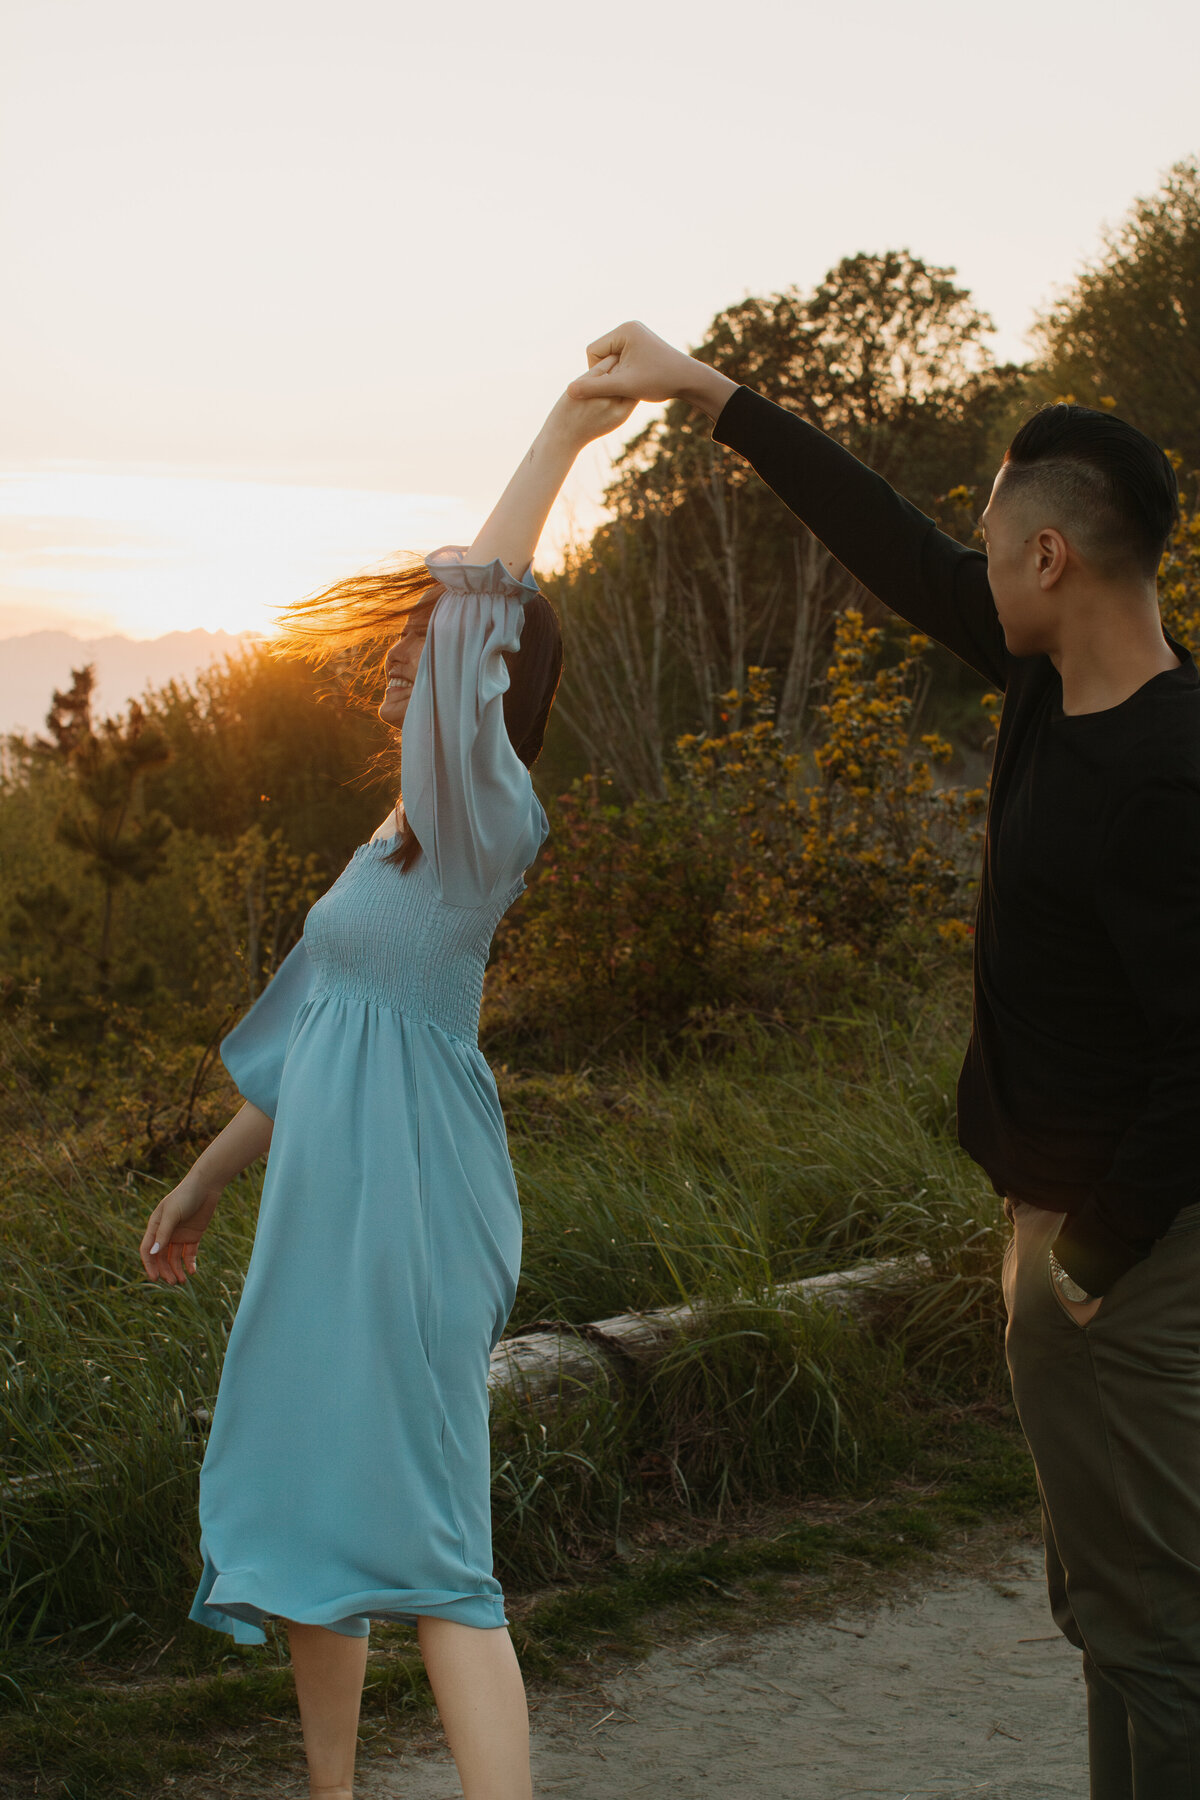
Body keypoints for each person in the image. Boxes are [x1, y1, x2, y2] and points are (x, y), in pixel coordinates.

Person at [570, 323, 1200, 1798]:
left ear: (1051, 557)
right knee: (1110, 1612)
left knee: (1162, 1627)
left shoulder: (1173, 773)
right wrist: (712, 397)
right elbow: (892, 544)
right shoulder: (1055, 681)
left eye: (993, 548)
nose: (969, 570)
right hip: (1069, 1239)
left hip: (1136, 1262)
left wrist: (1093, 1259)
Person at [138, 368, 633, 1800]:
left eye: (434, 648)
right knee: (299, 1497)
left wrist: (558, 435)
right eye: (414, 645)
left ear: (488, 683)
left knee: (434, 1545)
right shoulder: (398, 829)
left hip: (414, 1204)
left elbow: (488, 599)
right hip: (319, 1208)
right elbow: (313, 1032)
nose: (408, 660)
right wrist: (198, 1182)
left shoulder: (489, 819)